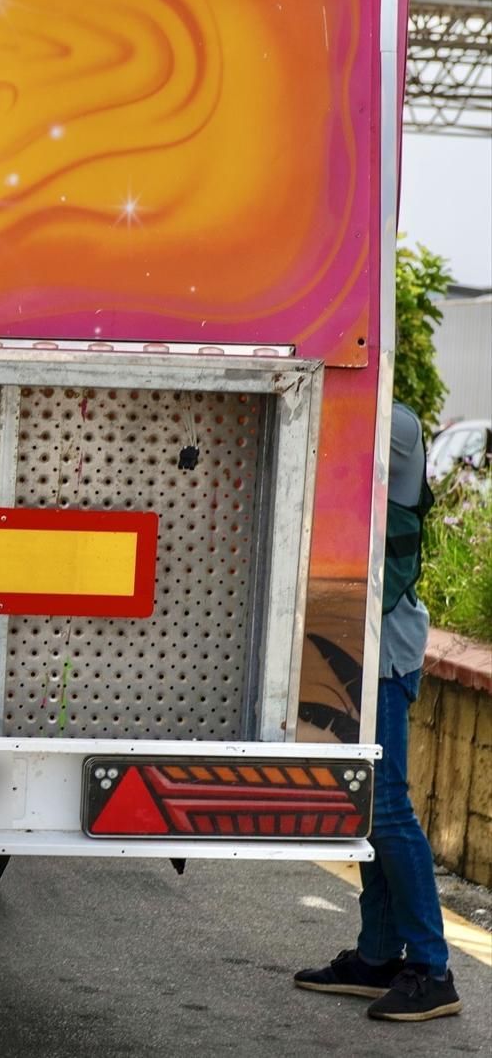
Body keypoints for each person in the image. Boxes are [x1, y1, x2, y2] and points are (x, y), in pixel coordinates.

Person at [294, 402, 462, 1022]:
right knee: (371, 805)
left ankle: (431, 967)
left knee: (387, 806)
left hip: (382, 649)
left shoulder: (391, 421)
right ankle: (378, 956)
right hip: (357, 642)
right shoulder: (384, 415)